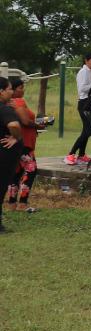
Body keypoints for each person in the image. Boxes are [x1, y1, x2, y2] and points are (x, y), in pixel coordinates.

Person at [5, 77, 49, 212]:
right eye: (20, 88)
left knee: (16, 172)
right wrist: (38, 124)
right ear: (12, 90)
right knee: (31, 169)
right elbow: (25, 121)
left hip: (17, 142)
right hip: (24, 143)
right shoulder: (18, 102)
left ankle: (12, 203)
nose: (23, 90)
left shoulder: (8, 103)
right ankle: (23, 202)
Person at [0, 83, 26, 231]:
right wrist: (17, 137)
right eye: (9, 89)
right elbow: (14, 126)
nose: (12, 92)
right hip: (4, 156)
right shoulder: (5, 110)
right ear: (1, 91)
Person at [66, 51, 91, 165]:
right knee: (88, 130)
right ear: (86, 61)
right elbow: (82, 89)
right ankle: (71, 154)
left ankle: (81, 155)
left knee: (87, 130)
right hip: (84, 103)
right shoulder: (83, 72)